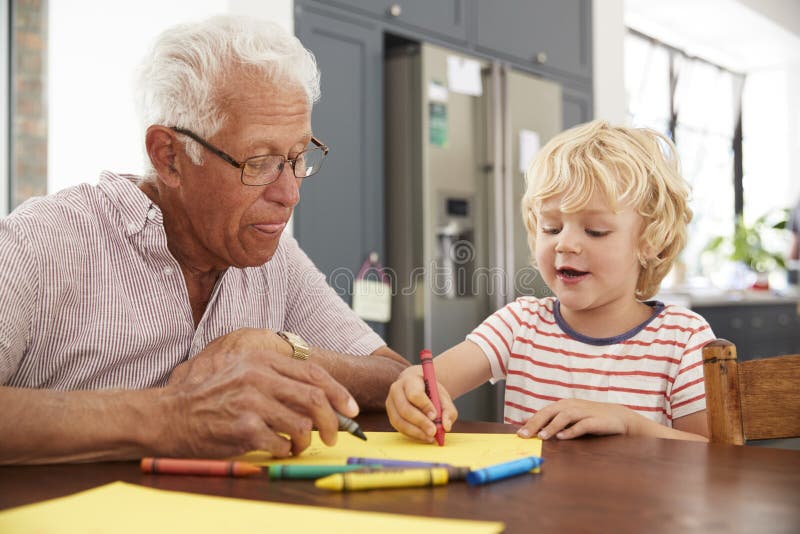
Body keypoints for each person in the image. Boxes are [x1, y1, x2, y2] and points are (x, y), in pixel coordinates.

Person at [0, 15, 409, 464]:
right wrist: (173, 418)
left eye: (298, 156)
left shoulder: (275, 260)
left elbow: (396, 376)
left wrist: (280, 349)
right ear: (170, 157)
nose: (290, 193)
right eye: (259, 162)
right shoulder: (39, 243)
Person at [386, 120, 716, 443]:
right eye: (551, 228)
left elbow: (712, 457)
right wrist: (411, 388)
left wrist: (629, 424)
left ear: (650, 242)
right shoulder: (518, 325)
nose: (565, 244)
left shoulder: (683, 339)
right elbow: (428, 382)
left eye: (595, 230)